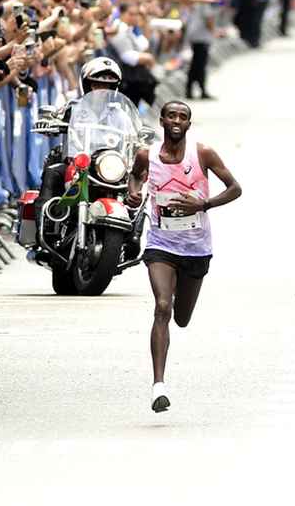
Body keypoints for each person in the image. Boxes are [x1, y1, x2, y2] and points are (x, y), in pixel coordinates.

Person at [126, 100, 242, 413]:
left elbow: (235, 188)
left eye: (184, 117)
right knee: (162, 307)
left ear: (188, 124)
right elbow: (135, 177)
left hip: (196, 247)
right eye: (172, 115)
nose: (177, 120)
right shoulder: (146, 155)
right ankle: (158, 387)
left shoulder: (202, 153)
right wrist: (134, 192)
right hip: (161, 244)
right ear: (162, 120)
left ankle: (181, 293)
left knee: (181, 318)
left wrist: (203, 205)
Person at [34, 58, 133, 230]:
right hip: (76, 165)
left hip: (108, 169)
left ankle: (133, 231)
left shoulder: (120, 114)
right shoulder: (72, 108)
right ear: (87, 85)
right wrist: (50, 125)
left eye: (107, 86)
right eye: (97, 85)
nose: (102, 90)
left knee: (133, 187)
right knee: (52, 173)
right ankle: (46, 226)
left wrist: (137, 141)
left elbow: (132, 137)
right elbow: (55, 118)